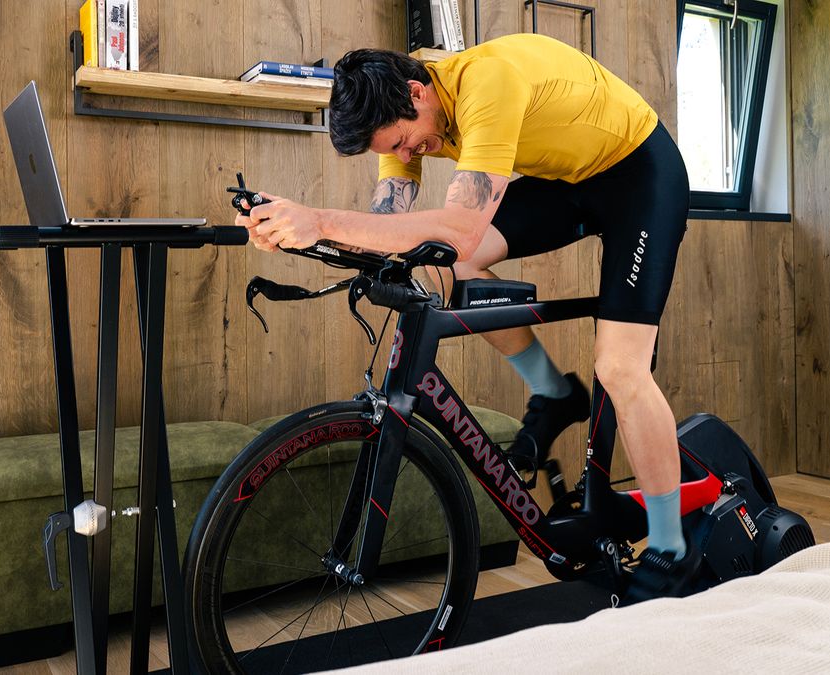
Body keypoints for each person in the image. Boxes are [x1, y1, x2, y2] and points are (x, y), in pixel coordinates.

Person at [236, 32, 696, 603]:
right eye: (394, 150)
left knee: (621, 369)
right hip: (567, 181)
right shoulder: (399, 122)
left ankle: (673, 548)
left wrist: (322, 218)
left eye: (405, 142)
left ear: (417, 91)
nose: (405, 156)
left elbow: (457, 227)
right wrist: (289, 230)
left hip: (639, 175)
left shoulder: (487, 84)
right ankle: (554, 393)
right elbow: (392, 239)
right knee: (457, 266)